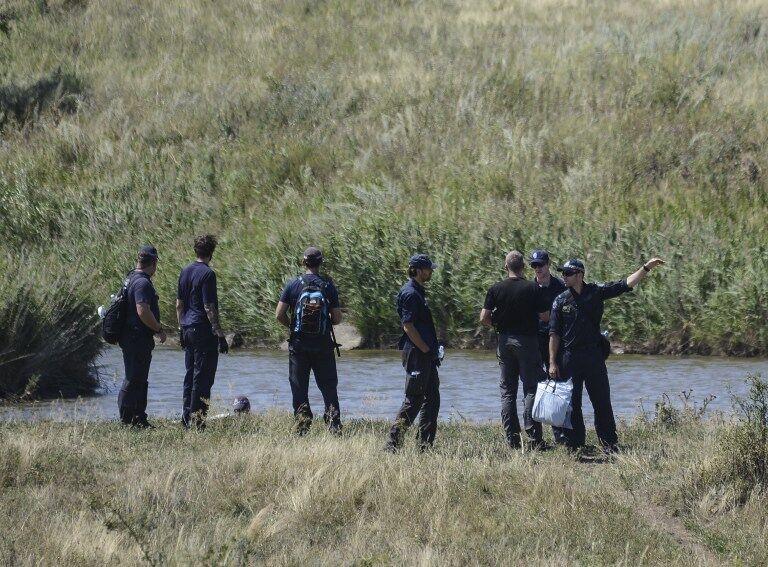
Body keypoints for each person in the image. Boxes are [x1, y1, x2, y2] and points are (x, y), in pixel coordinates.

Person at [549, 257, 665, 453]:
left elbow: (625, 284)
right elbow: (554, 334)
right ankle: (576, 445)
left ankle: (609, 443)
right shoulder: (560, 300)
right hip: (570, 357)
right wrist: (552, 362)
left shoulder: (595, 292)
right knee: (572, 403)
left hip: (594, 356)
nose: (564, 277)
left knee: (601, 401)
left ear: (580, 275)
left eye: (568, 273)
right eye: (563, 273)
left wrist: (646, 267)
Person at [480, 251, 550, 449]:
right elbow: (545, 317)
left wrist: (498, 321)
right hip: (528, 342)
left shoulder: (496, 289)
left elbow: (483, 318)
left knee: (508, 392)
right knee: (531, 387)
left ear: (505, 267)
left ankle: (512, 437)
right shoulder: (533, 288)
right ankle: (534, 434)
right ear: (524, 267)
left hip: (504, 341)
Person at [275, 246, 343, 435]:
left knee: (299, 386)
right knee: (328, 385)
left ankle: (303, 425)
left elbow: (279, 314)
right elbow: (337, 319)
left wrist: (293, 326)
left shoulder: (293, 284)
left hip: (299, 345)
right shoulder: (328, 285)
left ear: (303, 262)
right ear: (320, 263)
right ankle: (333, 425)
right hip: (323, 344)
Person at [386, 254, 442, 452]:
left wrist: (432, 351)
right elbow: (408, 327)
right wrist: (426, 349)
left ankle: (424, 446)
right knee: (414, 400)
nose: (431, 271)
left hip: (426, 355)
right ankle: (392, 444)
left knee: (432, 399)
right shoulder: (410, 293)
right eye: (428, 268)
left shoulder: (418, 291)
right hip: (417, 353)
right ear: (418, 270)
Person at [176, 234, 229, 430]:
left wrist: (181, 329)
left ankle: (186, 416)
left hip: (188, 327)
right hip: (202, 329)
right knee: (203, 376)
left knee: (190, 374)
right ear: (211, 252)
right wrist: (220, 335)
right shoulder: (208, 274)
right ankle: (197, 421)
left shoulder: (185, 271)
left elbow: (179, 304)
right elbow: (209, 307)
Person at [118, 245, 166, 428]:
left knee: (138, 378)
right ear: (154, 262)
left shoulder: (130, 278)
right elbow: (142, 310)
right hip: (137, 338)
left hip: (131, 337)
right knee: (133, 378)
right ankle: (128, 419)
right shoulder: (142, 283)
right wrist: (158, 329)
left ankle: (138, 417)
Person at [530, 249, 568, 445]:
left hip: (555, 342)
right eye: (534, 266)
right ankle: (535, 436)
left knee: (557, 384)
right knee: (534, 385)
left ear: (548, 264)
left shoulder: (560, 287)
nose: (538, 269)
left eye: (541, 265)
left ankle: (560, 433)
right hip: (535, 341)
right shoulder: (529, 288)